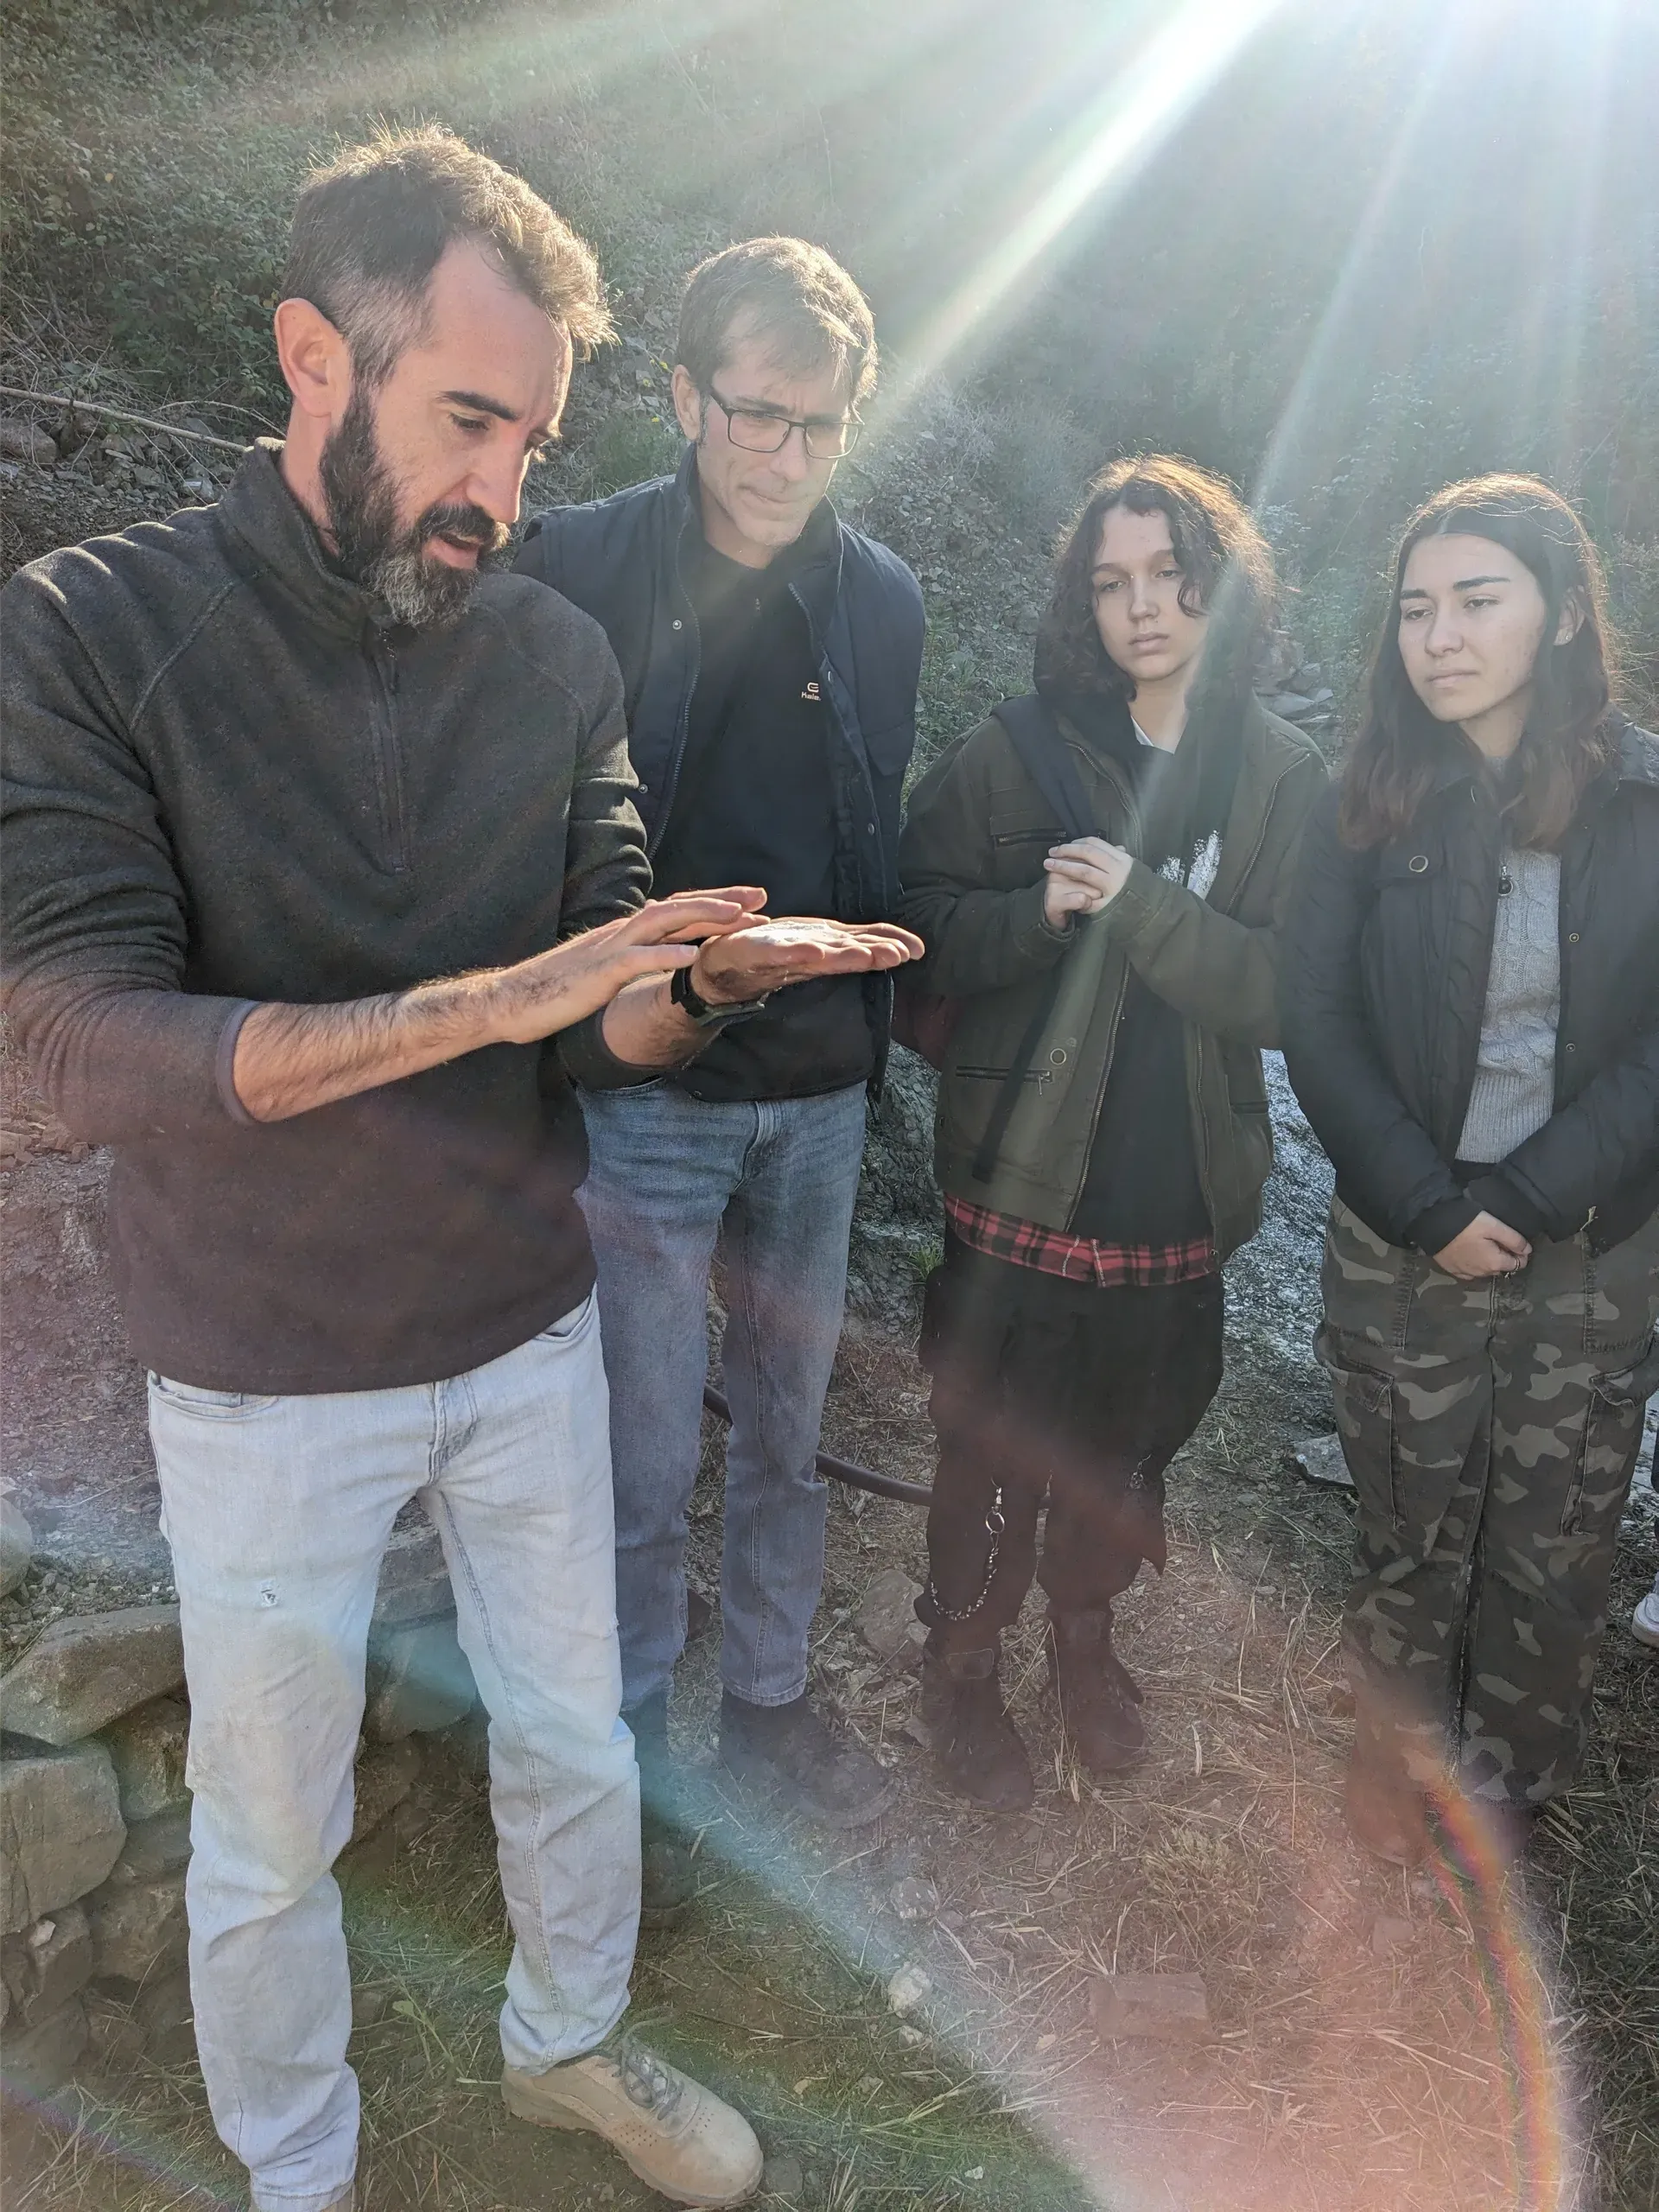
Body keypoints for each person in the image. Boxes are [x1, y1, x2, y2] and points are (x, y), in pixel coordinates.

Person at [0, 128, 918, 2212]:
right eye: (467, 419)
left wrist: (695, 983)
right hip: (259, 1361)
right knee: (268, 1821)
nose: (503, 489)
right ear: (315, 353)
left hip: (522, 1330)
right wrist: (463, 1008)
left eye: (534, 436)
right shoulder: (89, 627)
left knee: (577, 1734)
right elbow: (68, 1039)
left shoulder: (550, 658)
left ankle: (568, 2045)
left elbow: (603, 1007)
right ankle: (295, 2163)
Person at [514, 239, 924, 1901]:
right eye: (752, 414)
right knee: (632, 1451)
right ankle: (631, 1751)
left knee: (787, 1422)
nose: (781, 456)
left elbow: (872, 827)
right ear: (682, 396)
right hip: (646, 1089)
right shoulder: (578, 563)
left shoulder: (882, 600)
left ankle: (766, 1703)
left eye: (818, 427)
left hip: (816, 1092)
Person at [898, 456, 1327, 1808]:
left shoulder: (1278, 776)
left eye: (1170, 577)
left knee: (1128, 1438)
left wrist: (1138, 903)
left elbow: (1283, 995)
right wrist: (1031, 917)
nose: (1142, 608)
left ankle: (1085, 1640)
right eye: (1111, 582)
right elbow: (915, 929)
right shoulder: (1013, 751)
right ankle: (964, 1663)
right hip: (1017, 1172)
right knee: (986, 1435)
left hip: (1172, 1187)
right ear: (1081, 603)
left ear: (1222, 587)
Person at [1280, 474, 1659, 1869]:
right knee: (1410, 1525)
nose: (1438, 635)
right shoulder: (1367, 804)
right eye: (1417, 608)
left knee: (1554, 1551)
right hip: (1404, 1242)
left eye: (1477, 601)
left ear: (1560, 615)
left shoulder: (1644, 803)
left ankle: (1505, 1810)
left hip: (1587, 1252)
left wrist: (1532, 1195)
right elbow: (1311, 1018)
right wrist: (1432, 1207)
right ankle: (1386, 1794)